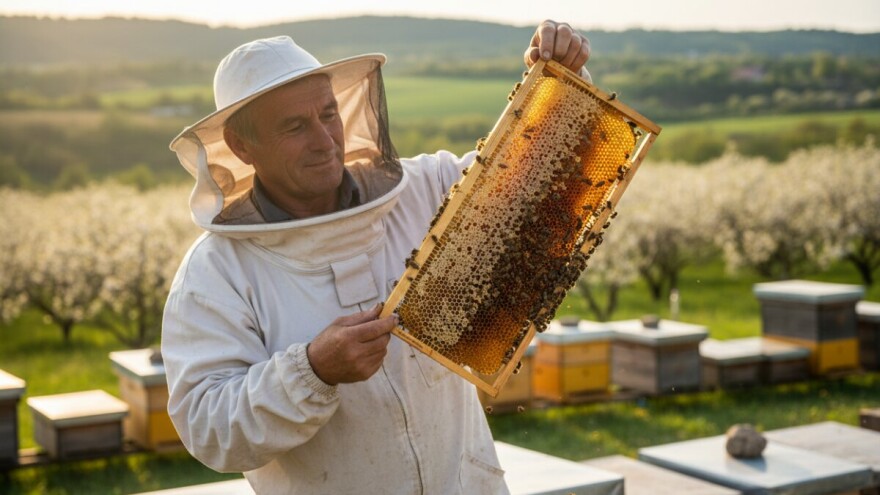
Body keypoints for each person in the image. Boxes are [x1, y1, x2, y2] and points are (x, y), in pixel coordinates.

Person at [162, 19, 591, 494]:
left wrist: (561, 87)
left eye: (328, 114)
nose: (325, 140)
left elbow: (538, 185)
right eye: (295, 126)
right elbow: (209, 430)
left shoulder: (427, 190)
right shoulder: (216, 274)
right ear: (242, 146)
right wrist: (312, 370)